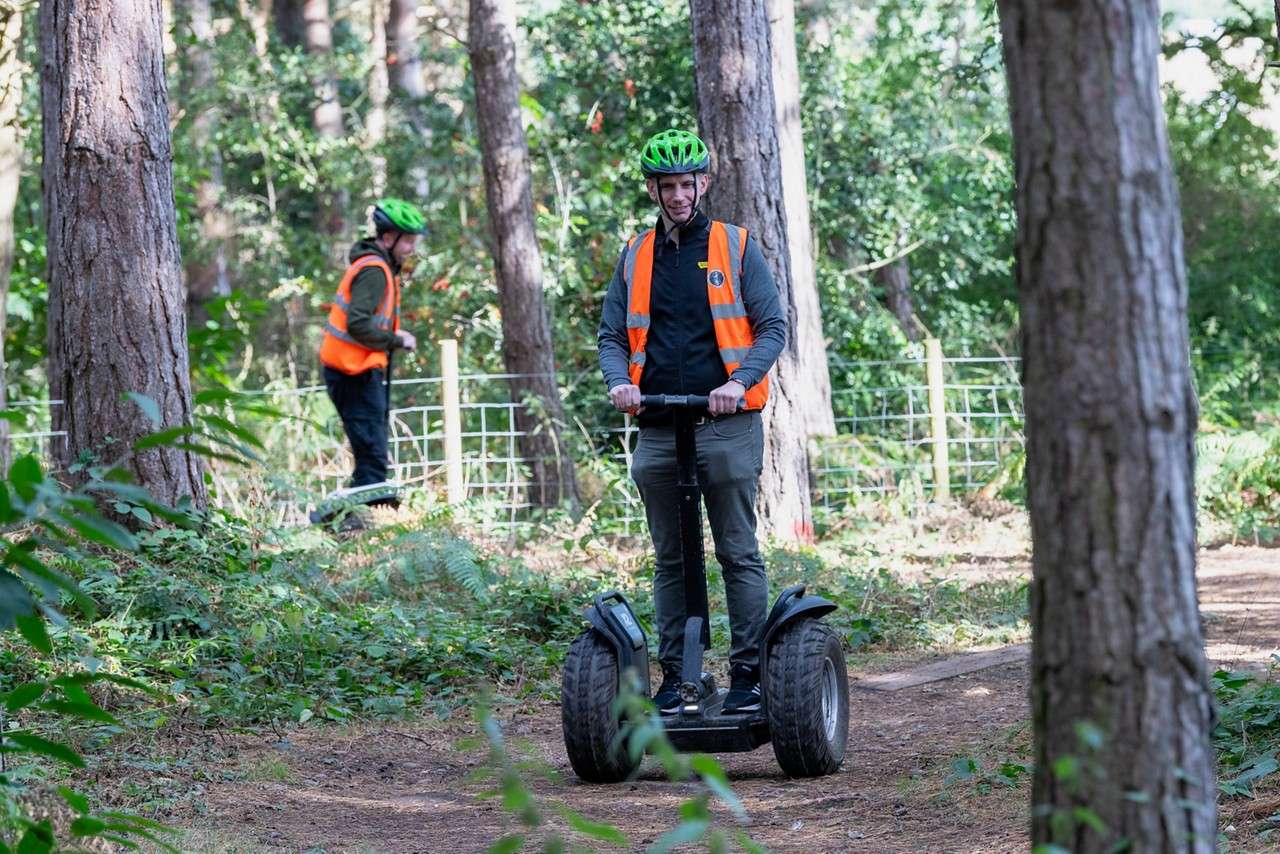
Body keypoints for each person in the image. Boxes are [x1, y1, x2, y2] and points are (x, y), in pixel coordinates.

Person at [597, 129, 786, 715]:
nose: (678, 195)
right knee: (672, 557)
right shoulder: (637, 254)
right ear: (653, 189)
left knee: (737, 551)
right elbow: (610, 336)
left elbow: (772, 327)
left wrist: (736, 383)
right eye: (667, 185)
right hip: (658, 428)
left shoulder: (735, 245)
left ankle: (748, 677)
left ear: (704, 182)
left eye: (687, 183)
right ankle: (680, 678)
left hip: (725, 424)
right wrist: (618, 383)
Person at [319, 198, 425, 497]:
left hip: (358, 371)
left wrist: (393, 333)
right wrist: (396, 340)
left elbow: (366, 322)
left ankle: (357, 519)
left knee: (371, 454)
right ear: (388, 238)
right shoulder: (374, 271)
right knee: (372, 455)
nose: (412, 249)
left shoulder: (378, 267)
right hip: (353, 373)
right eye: (408, 241)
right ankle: (360, 524)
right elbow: (358, 325)